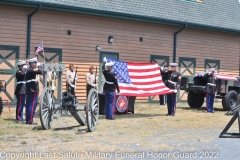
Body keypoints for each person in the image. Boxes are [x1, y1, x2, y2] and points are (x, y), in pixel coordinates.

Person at [25, 57, 42, 125]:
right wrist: (40, 66)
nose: (35, 64)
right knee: (32, 105)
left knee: (29, 105)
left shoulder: (29, 70)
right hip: (32, 89)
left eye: (35, 63)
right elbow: (39, 71)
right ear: (31, 64)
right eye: (34, 63)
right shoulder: (31, 70)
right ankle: (30, 120)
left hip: (30, 89)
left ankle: (28, 120)